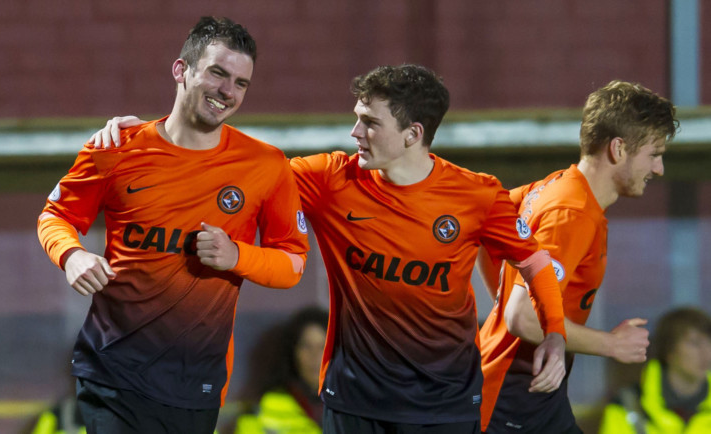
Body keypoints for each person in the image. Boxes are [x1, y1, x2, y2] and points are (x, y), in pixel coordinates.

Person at [89, 63, 568, 434]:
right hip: (351, 402)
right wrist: (162, 133)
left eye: (369, 123)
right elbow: (243, 167)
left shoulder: (478, 195)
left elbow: (534, 262)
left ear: (413, 134)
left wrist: (554, 333)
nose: (354, 132)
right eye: (356, 119)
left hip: (442, 406)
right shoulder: (330, 179)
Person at [36, 16, 309, 433]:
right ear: (181, 70)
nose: (227, 91)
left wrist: (237, 255)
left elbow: (292, 264)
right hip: (112, 370)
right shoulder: (116, 147)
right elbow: (56, 215)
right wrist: (70, 254)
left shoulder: (267, 166)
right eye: (217, 73)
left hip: (195, 378)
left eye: (240, 83)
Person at [477, 80, 679, 433]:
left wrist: (505, 294)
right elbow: (523, 318)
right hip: (511, 394)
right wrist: (611, 344)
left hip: (530, 389)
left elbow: (485, 224)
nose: (659, 168)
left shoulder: (551, 188)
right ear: (618, 149)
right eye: (654, 154)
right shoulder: (573, 212)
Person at [598, 307, 711, 434]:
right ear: (669, 350)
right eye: (694, 343)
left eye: (709, 342)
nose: (706, 352)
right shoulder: (628, 405)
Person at [230, 306, 328, 434]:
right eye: (306, 346)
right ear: (292, 352)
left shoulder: (353, 406)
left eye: (322, 346)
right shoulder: (265, 409)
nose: (314, 356)